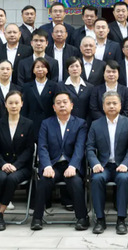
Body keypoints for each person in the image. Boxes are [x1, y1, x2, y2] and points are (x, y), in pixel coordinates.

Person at [30, 92, 90, 231]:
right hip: (53, 165)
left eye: (65, 102)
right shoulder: (46, 123)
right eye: (58, 103)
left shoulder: (80, 123)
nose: (62, 105)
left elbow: (80, 147)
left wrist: (73, 166)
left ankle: (82, 218)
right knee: (44, 181)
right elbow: (42, 147)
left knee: (75, 182)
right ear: (54, 107)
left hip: (71, 164)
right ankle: (37, 218)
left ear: (71, 105)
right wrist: (46, 166)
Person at [86, 91, 128, 235]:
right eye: (108, 103)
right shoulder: (96, 124)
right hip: (103, 166)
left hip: (122, 166)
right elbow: (89, 147)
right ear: (103, 106)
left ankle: (121, 220)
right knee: (97, 179)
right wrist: (95, 163)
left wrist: (126, 164)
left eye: (115, 103)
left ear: (120, 105)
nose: (111, 106)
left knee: (124, 178)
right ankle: (100, 219)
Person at [0, 91, 35, 231]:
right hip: (1, 164)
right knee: (0, 178)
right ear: (5, 104)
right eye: (10, 103)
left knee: (12, 178)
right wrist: (3, 164)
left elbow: (29, 149)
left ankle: (0, 213)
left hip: (21, 167)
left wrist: (16, 165)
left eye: (17, 103)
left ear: (22, 104)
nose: (13, 106)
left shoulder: (29, 124)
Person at [22, 57, 57, 135]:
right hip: (32, 124)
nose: (40, 69)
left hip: (49, 124)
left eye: (43, 67)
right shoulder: (26, 87)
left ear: (47, 70)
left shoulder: (54, 86)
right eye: (37, 67)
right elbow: (24, 108)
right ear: (33, 70)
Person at [56, 56, 94, 126]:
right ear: (67, 70)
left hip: (85, 124)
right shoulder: (60, 86)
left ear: (81, 69)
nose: (75, 69)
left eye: (77, 66)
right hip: (66, 124)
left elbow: (91, 109)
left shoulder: (89, 87)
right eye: (72, 66)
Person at [0, 60, 22, 124]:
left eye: (8, 69)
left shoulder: (18, 89)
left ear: (12, 71)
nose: (5, 71)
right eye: (2, 69)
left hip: (15, 125)